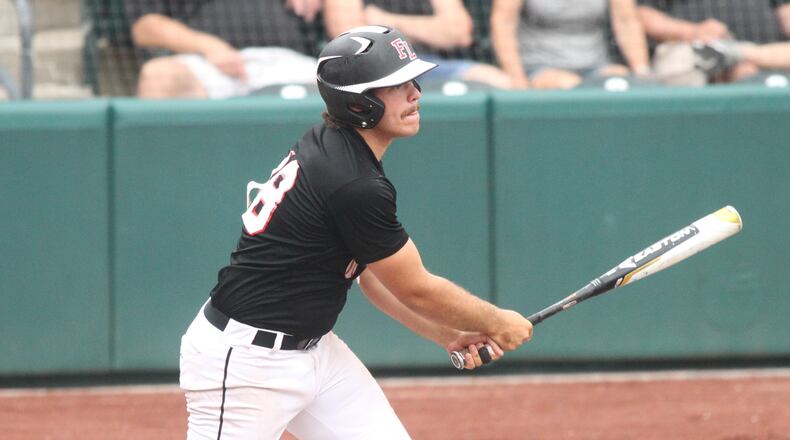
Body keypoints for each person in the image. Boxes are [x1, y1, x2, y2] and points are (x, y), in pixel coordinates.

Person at [178, 25, 534, 439]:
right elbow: (416, 288)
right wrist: (498, 320)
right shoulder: (353, 182)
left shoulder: (335, 146)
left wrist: (448, 334)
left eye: (412, 81)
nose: (416, 93)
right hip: (245, 365)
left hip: (315, 352)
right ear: (358, 103)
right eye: (396, 86)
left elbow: (372, 276)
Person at [124, 0, 347, 98]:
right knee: (158, 76)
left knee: (351, 90)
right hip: (211, 67)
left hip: (290, 61)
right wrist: (207, 46)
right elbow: (145, 27)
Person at [328, 0, 514, 88]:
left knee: (498, 81)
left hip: (426, 64)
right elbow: (348, 35)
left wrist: (385, 21)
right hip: (371, 69)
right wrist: (427, 29)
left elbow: (459, 32)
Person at [490, 0, 651, 89]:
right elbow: (503, 22)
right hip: (538, 66)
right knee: (572, 87)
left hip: (595, 65)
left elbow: (626, 21)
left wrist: (641, 71)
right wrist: (518, 80)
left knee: (621, 82)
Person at [637, 0, 790, 83]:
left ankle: (735, 53)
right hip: (693, 50)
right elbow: (644, 15)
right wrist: (692, 31)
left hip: (760, 53)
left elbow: (786, 13)